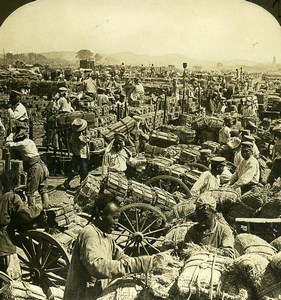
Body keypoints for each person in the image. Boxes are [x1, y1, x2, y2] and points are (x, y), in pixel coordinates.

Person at [63, 194, 156, 300]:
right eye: (114, 218)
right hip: (81, 296)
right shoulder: (89, 234)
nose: (117, 223)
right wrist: (136, 265)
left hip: (95, 293)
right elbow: (97, 266)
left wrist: (144, 263)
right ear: (101, 215)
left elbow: (119, 256)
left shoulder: (107, 235)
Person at [0, 170, 42, 277]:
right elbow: (27, 215)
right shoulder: (13, 197)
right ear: (15, 182)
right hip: (5, 243)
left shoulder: (2, 196)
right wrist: (38, 208)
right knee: (9, 276)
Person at [6, 124, 50, 208]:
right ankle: (46, 206)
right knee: (43, 189)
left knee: (30, 192)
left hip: (35, 168)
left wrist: (11, 134)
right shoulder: (30, 141)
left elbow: (8, 144)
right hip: (41, 165)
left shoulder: (22, 144)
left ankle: (32, 210)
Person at [181, 194, 234, 258]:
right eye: (199, 215)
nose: (201, 219)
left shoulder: (224, 230)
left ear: (214, 214)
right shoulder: (193, 231)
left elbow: (228, 253)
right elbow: (185, 253)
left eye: (205, 215)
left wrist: (207, 252)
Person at [63, 118, 90, 189]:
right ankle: (67, 181)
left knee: (84, 170)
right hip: (78, 154)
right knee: (76, 170)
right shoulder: (75, 136)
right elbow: (85, 140)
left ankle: (81, 184)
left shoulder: (83, 132)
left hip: (84, 154)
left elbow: (88, 137)